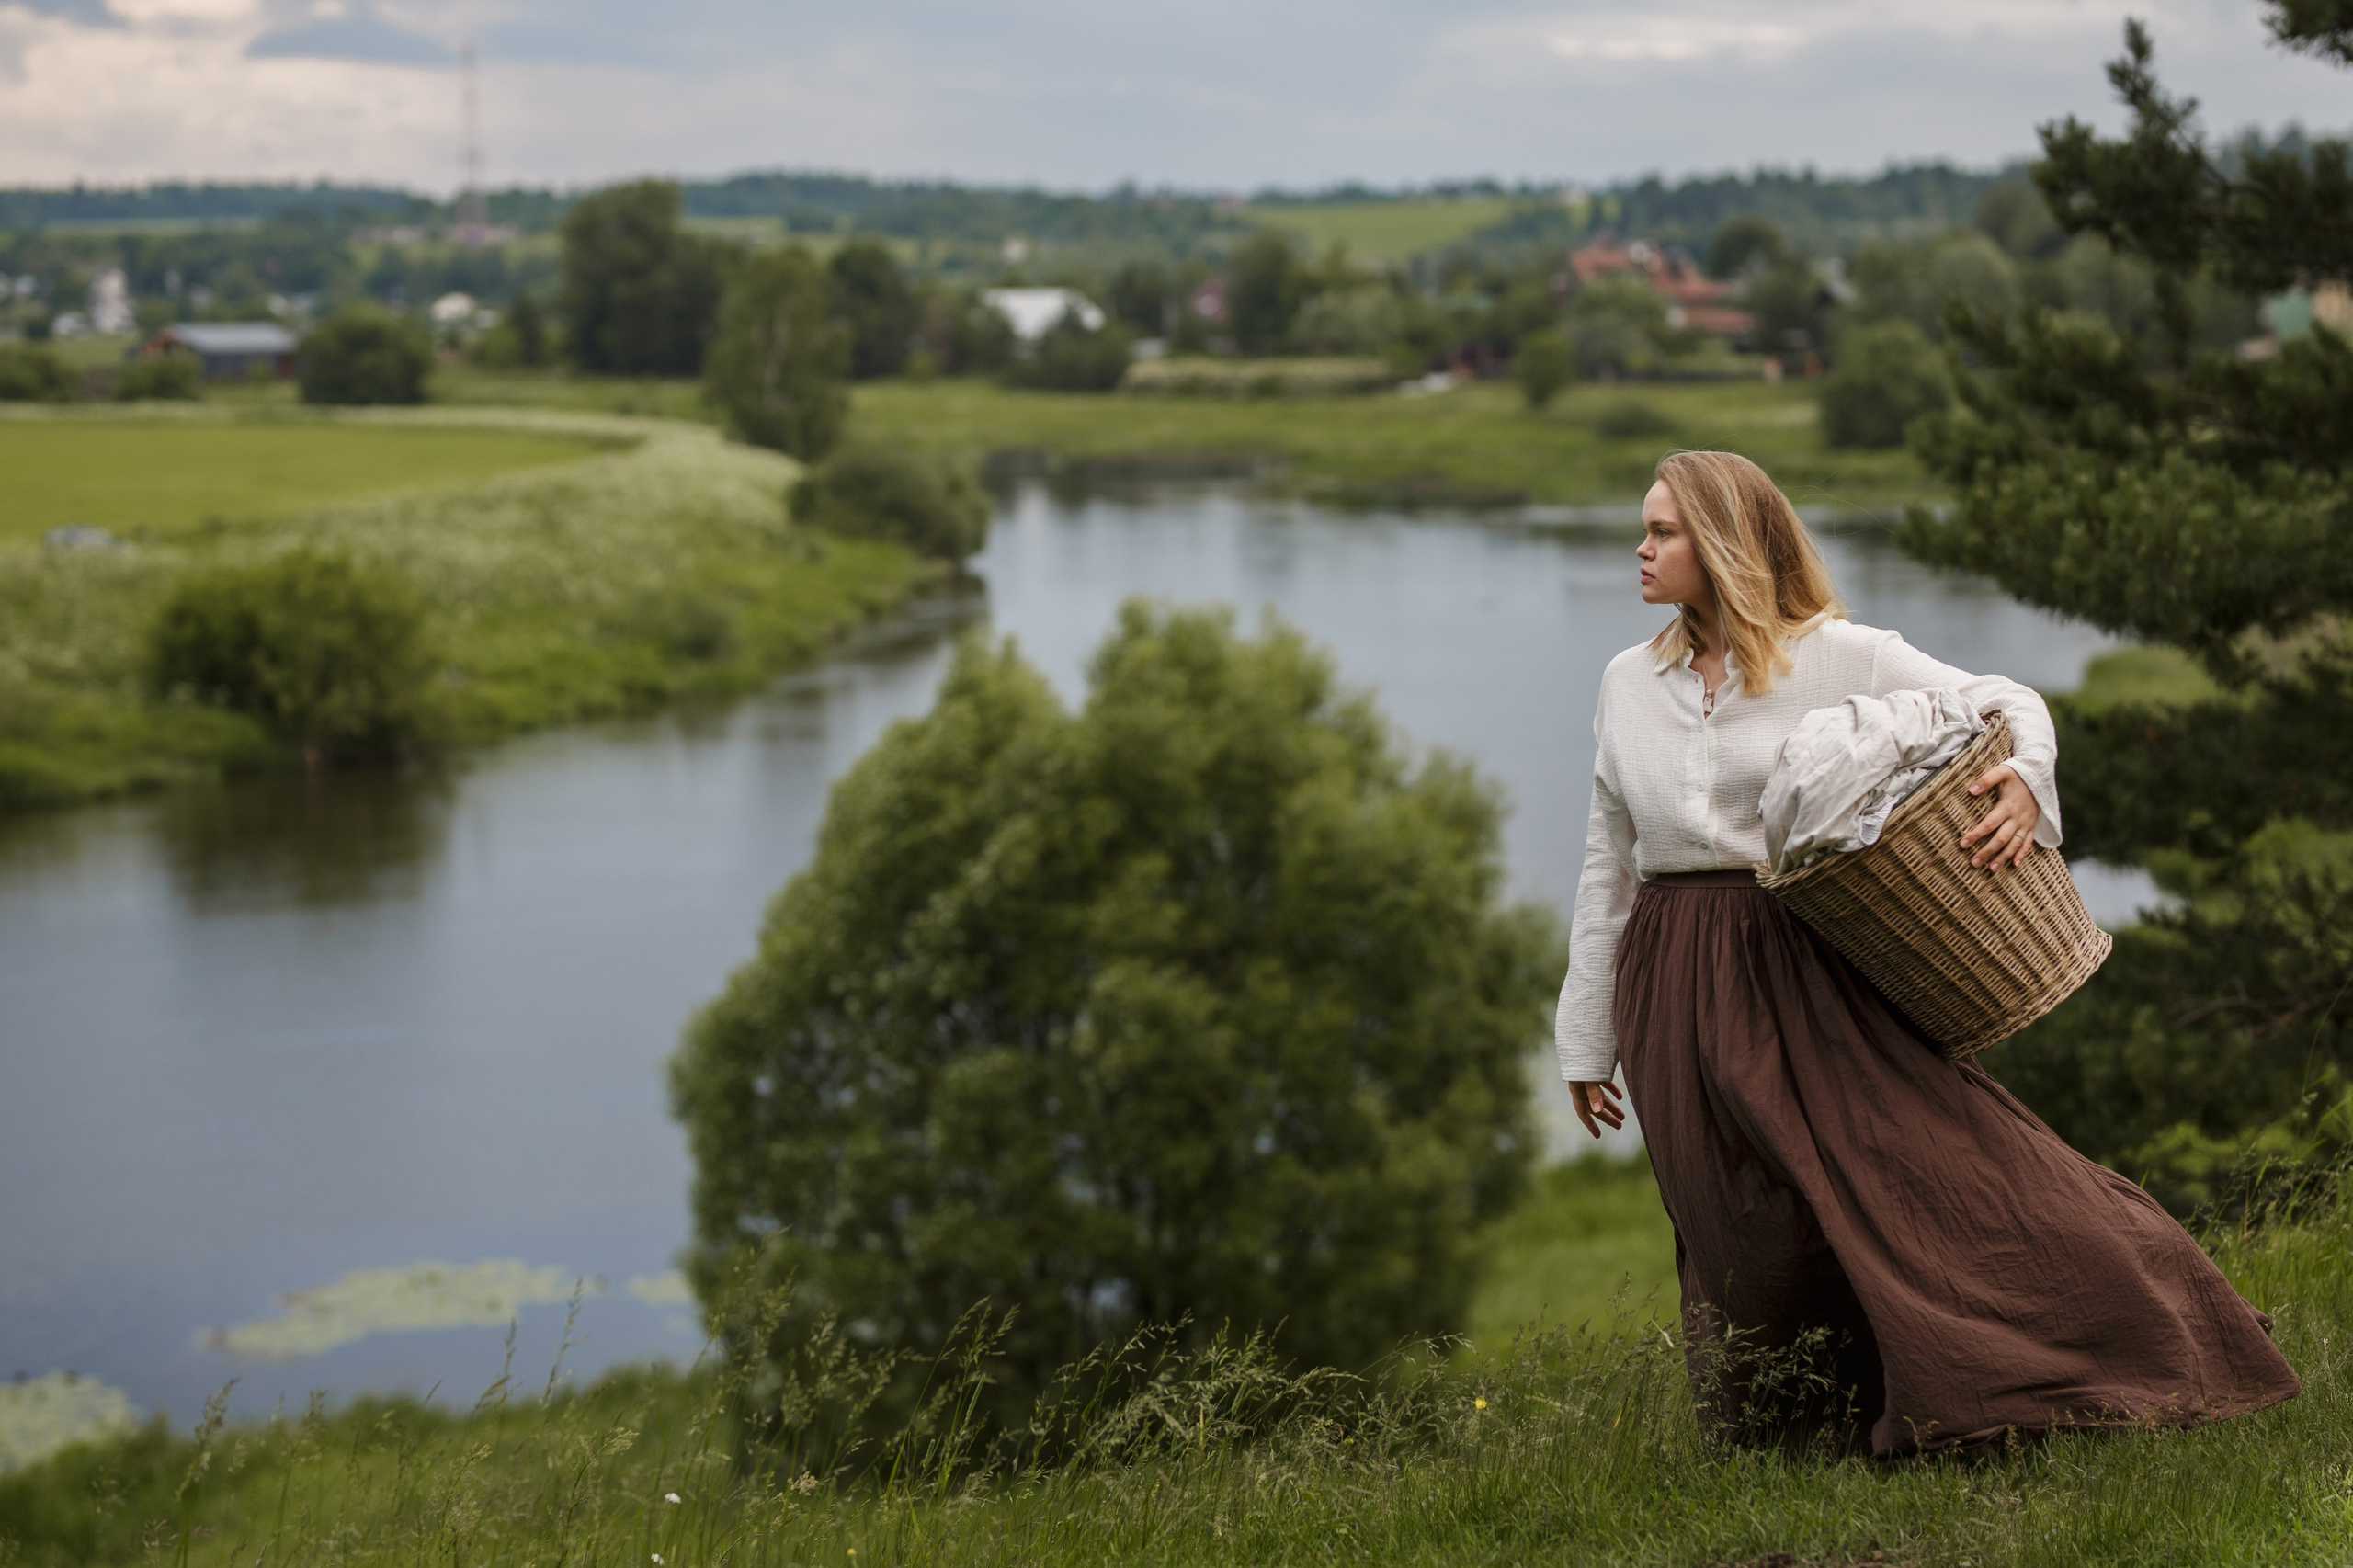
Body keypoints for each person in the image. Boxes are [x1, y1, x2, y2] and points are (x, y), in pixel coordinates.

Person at [1558, 449, 2299, 1456]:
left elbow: (2007, 700)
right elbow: (1607, 863)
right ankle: (1789, 1436)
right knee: (1729, 1208)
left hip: (1803, 961)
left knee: (1919, 1163)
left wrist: (2027, 783)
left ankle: (2124, 1342)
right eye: (1645, 530)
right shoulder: (1626, 680)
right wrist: (1585, 1038)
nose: (1640, 549)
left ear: (1725, 542)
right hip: (1670, 969)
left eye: (1662, 531)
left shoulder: (1838, 655)